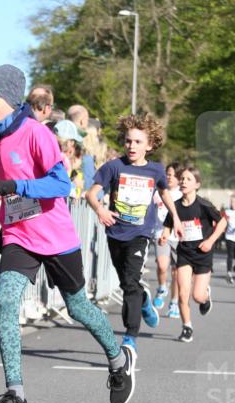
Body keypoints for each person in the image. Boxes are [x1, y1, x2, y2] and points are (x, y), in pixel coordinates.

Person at [0, 64, 136, 403]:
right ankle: (15, 395)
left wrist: (13, 186)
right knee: (5, 301)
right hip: (19, 236)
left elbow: (61, 185)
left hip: (55, 236)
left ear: (11, 98)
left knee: (78, 308)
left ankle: (117, 359)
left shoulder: (36, 134)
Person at [86, 114, 182, 355]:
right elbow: (91, 194)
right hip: (116, 232)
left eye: (138, 142)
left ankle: (130, 337)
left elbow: (165, 193)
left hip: (141, 233)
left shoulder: (155, 170)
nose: (132, 146)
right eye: (128, 141)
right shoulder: (113, 167)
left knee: (130, 284)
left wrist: (176, 217)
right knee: (127, 282)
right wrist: (100, 210)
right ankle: (144, 300)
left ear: (149, 145)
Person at [165, 166, 226, 344]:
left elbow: (222, 222)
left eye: (188, 179)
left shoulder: (204, 205)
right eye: (182, 178)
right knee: (183, 294)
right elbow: (168, 224)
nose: (183, 181)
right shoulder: (175, 206)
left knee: (197, 296)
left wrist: (210, 241)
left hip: (202, 253)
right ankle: (187, 327)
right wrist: (164, 235)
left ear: (197, 185)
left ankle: (205, 296)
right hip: (184, 253)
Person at [153, 161, 182, 317]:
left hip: (178, 237)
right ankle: (162, 288)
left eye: (173, 175)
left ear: (179, 178)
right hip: (160, 234)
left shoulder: (182, 194)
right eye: (168, 174)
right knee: (163, 266)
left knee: (177, 272)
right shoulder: (158, 191)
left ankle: (174, 302)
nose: (169, 177)